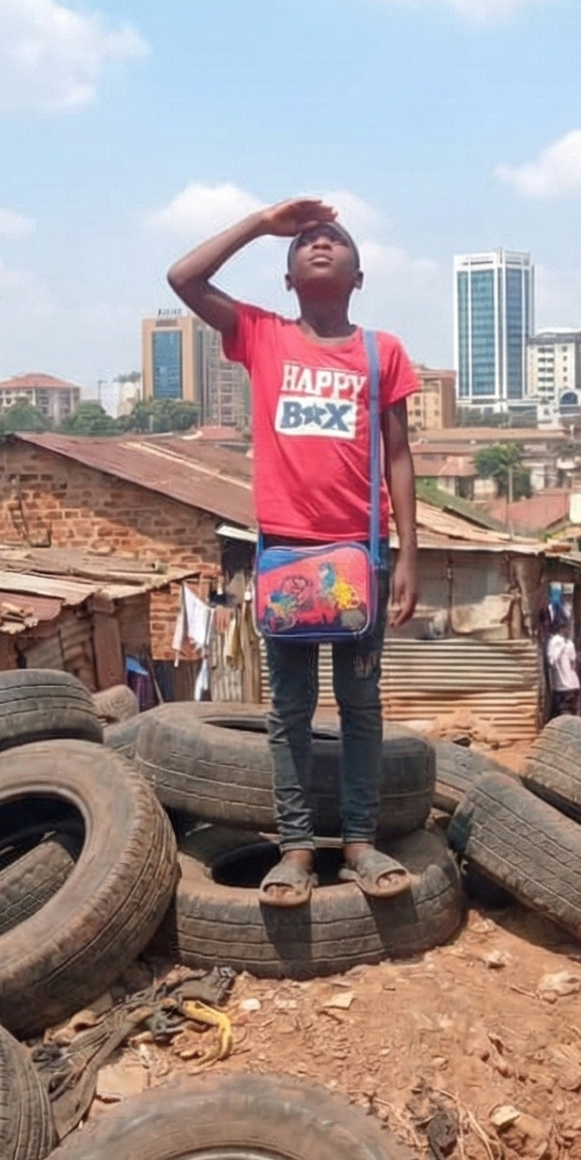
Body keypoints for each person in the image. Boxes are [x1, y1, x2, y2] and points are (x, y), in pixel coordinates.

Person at [169, 198, 420, 907]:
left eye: (333, 239)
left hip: (358, 559)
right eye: (306, 240)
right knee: (288, 711)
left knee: (360, 704)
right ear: (284, 277)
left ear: (358, 275)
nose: (318, 244)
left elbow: (398, 455)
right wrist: (258, 223)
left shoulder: (382, 351)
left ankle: (362, 843)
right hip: (283, 556)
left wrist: (407, 554)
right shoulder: (260, 335)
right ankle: (296, 849)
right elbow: (182, 278)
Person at [546, 625, 580, 717]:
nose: (568, 631)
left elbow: (573, 662)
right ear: (562, 629)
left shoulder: (569, 643)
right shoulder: (555, 642)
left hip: (568, 685)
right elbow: (551, 661)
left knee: (567, 711)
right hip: (563, 686)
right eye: (566, 628)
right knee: (563, 711)